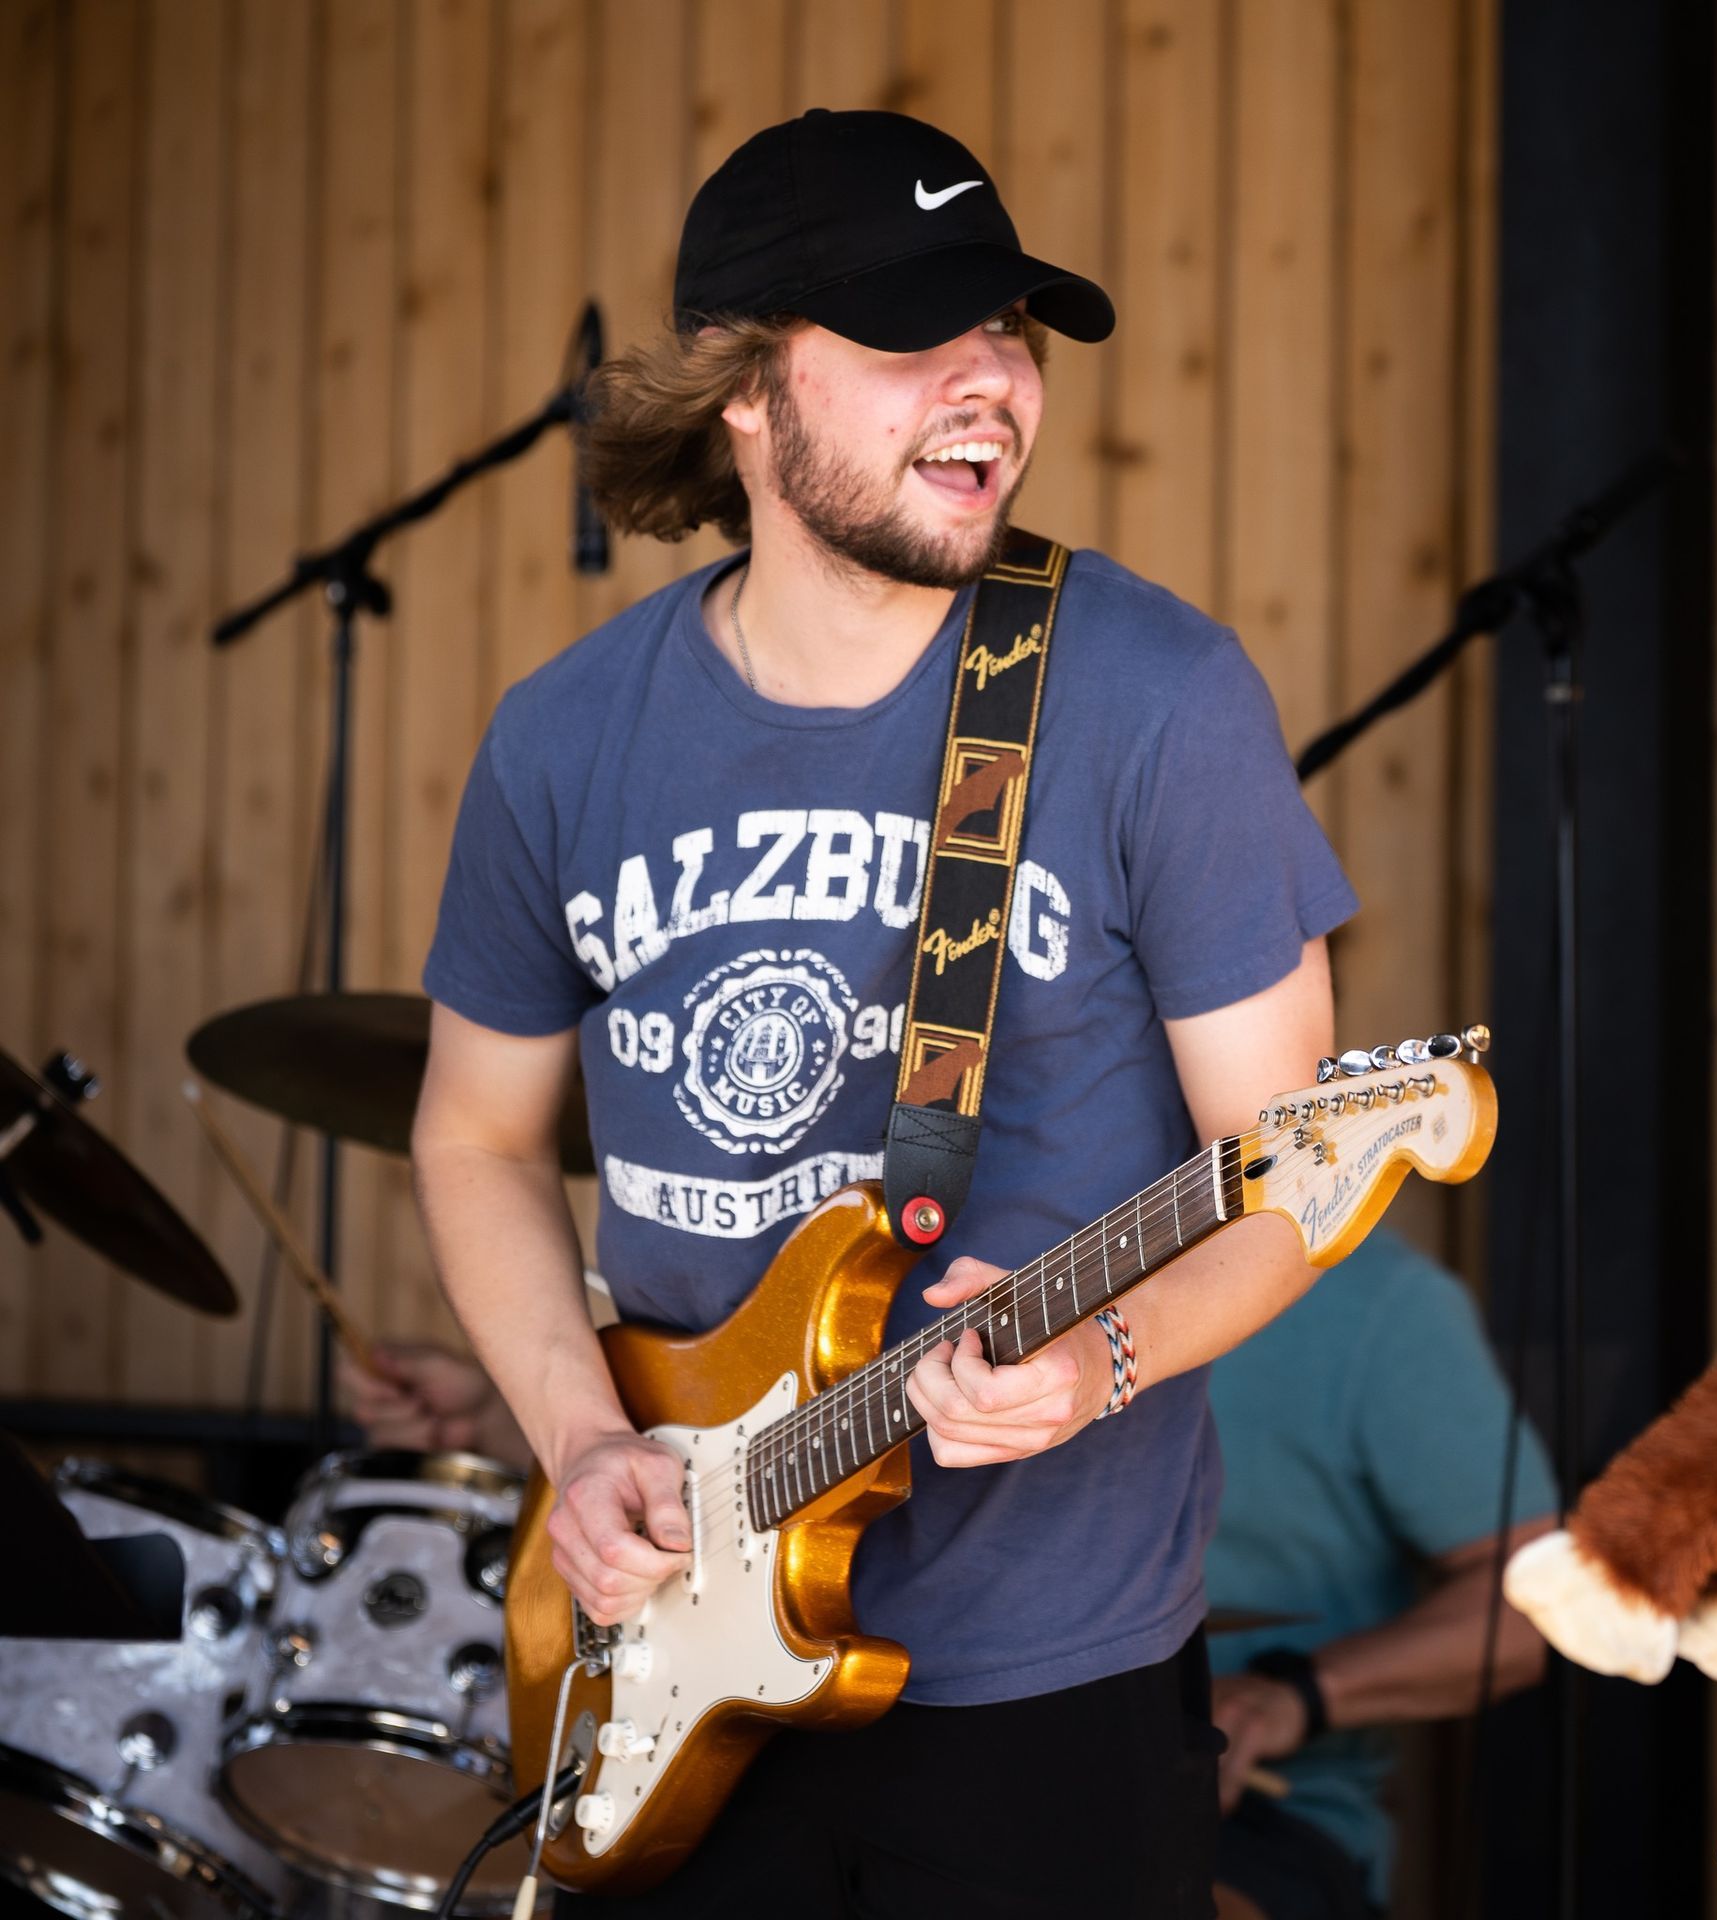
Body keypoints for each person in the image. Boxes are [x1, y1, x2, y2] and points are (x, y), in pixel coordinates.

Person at [407, 107, 1356, 1915]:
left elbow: (1295, 1163)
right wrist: (576, 1435)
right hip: (675, 1654)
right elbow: (472, 1133)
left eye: (1013, 329)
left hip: (1047, 1689)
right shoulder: (562, 736)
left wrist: (1110, 1360)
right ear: (746, 397)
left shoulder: (1152, 697)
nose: (993, 380)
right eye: (920, 338)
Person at [1204, 1228, 1557, 1920]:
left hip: (1250, 1818)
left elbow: (1535, 1604)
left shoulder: (1379, 1301)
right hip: (989, 1779)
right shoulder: (982, 1268)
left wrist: (1294, 1697)